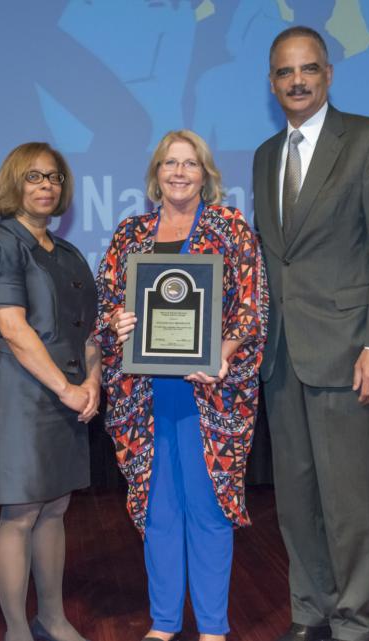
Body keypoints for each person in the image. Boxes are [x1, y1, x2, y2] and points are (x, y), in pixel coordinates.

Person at [252, 26, 369, 641]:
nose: (296, 81)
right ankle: (310, 611)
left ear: (328, 74)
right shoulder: (268, 155)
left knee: (348, 503)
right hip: (281, 355)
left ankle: (352, 621)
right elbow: (274, 259)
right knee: (295, 499)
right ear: (271, 82)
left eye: (308, 69)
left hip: (350, 352)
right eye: (284, 72)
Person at [95, 130, 267, 641]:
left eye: (190, 164)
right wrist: (119, 321)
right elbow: (106, 303)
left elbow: (252, 308)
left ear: (205, 174)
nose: (179, 172)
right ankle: (164, 623)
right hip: (145, 395)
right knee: (157, 507)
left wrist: (223, 354)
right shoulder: (130, 234)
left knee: (209, 504)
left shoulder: (230, 227)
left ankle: (213, 626)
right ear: (155, 173)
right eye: (170, 163)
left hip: (210, 393)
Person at [0, 142, 100, 641]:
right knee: (21, 510)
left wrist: (91, 382)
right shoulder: (0, 244)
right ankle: (17, 629)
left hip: (67, 389)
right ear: (13, 185)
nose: (46, 186)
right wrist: (66, 389)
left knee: (57, 507)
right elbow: (14, 328)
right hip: (18, 393)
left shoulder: (67, 253)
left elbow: (90, 331)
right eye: (34, 177)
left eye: (54, 178)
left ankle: (53, 617)